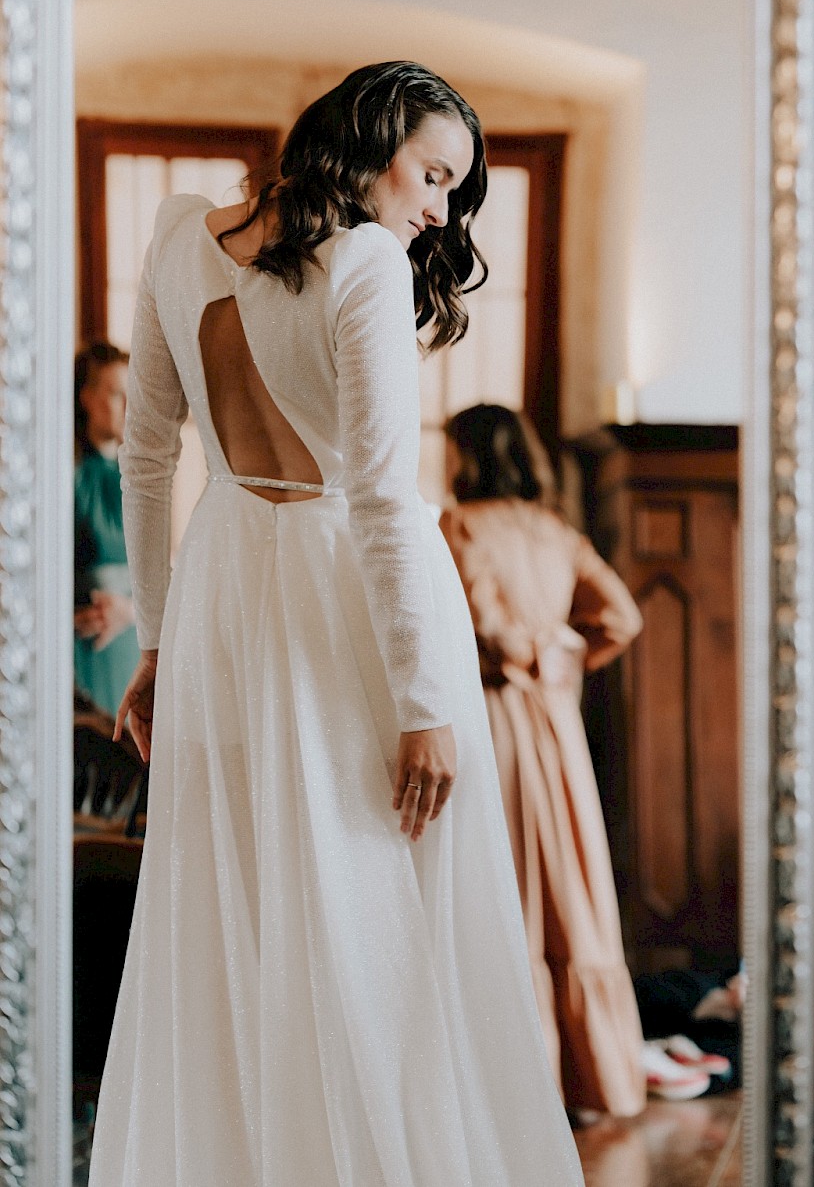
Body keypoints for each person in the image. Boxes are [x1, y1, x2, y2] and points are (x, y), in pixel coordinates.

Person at [89, 63, 584, 1186]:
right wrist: (423, 705)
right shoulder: (361, 258)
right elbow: (374, 495)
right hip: (344, 597)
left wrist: (160, 643)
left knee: (253, 892)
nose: (442, 211)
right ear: (368, 142)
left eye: (458, 192)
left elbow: (150, 454)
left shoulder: (178, 234)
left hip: (223, 583)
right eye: (433, 174)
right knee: (373, 902)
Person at [439, 404, 647, 1118]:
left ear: (466, 456)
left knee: (514, 886)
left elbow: (490, 633)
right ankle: (592, 1075)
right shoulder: (559, 532)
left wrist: (526, 652)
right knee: (571, 887)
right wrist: (564, 656)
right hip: (558, 725)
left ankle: (515, 1077)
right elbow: (621, 616)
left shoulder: (461, 525)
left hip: (496, 718)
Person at [74, 342, 140, 717]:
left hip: (132, 638)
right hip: (84, 647)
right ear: (87, 397)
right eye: (116, 394)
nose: (127, 407)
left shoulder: (136, 479)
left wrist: (130, 612)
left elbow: (168, 571)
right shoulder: (69, 479)